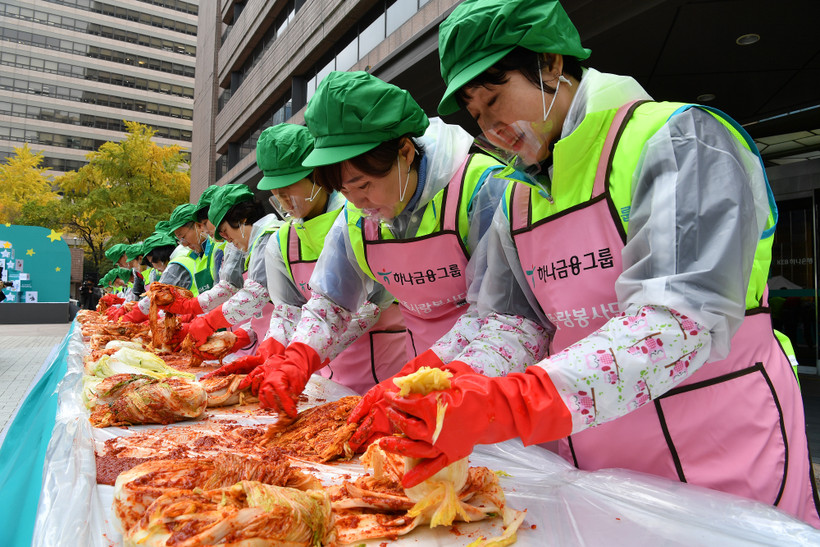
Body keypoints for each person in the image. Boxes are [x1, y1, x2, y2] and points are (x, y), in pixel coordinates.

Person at [376, 0, 820, 527]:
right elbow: (515, 322)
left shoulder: (678, 139)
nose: (491, 125)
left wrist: (515, 403)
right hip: (592, 456)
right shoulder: (519, 196)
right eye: (475, 114)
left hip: (717, 449)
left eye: (495, 98)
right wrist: (443, 378)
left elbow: (680, 319)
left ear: (550, 63)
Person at [242, 71, 516, 418]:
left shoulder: (482, 190)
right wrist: (298, 357)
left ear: (405, 152)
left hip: (493, 373)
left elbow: (501, 313)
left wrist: (425, 372)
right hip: (418, 379)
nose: (357, 202)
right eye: (344, 191)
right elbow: (330, 303)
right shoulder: (356, 218)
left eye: (364, 185)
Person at [207, 123, 408, 395]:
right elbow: (287, 311)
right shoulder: (282, 242)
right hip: (325, 380)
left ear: (316, 174)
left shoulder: (364, 217)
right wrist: (272, 350)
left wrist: (301, 356)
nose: (284, 200)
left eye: (288, 187)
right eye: (275, 193)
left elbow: (370, 305)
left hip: (386, 372)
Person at [169, 184, 280, 357]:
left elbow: (255, 295)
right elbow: (267, 311)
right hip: (265, 339)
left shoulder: (268, 238)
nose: (226, 239)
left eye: (224, 231)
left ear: (241, 219)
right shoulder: (248, 244)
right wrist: (240, 337)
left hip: (283, 346)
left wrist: (205, 319)